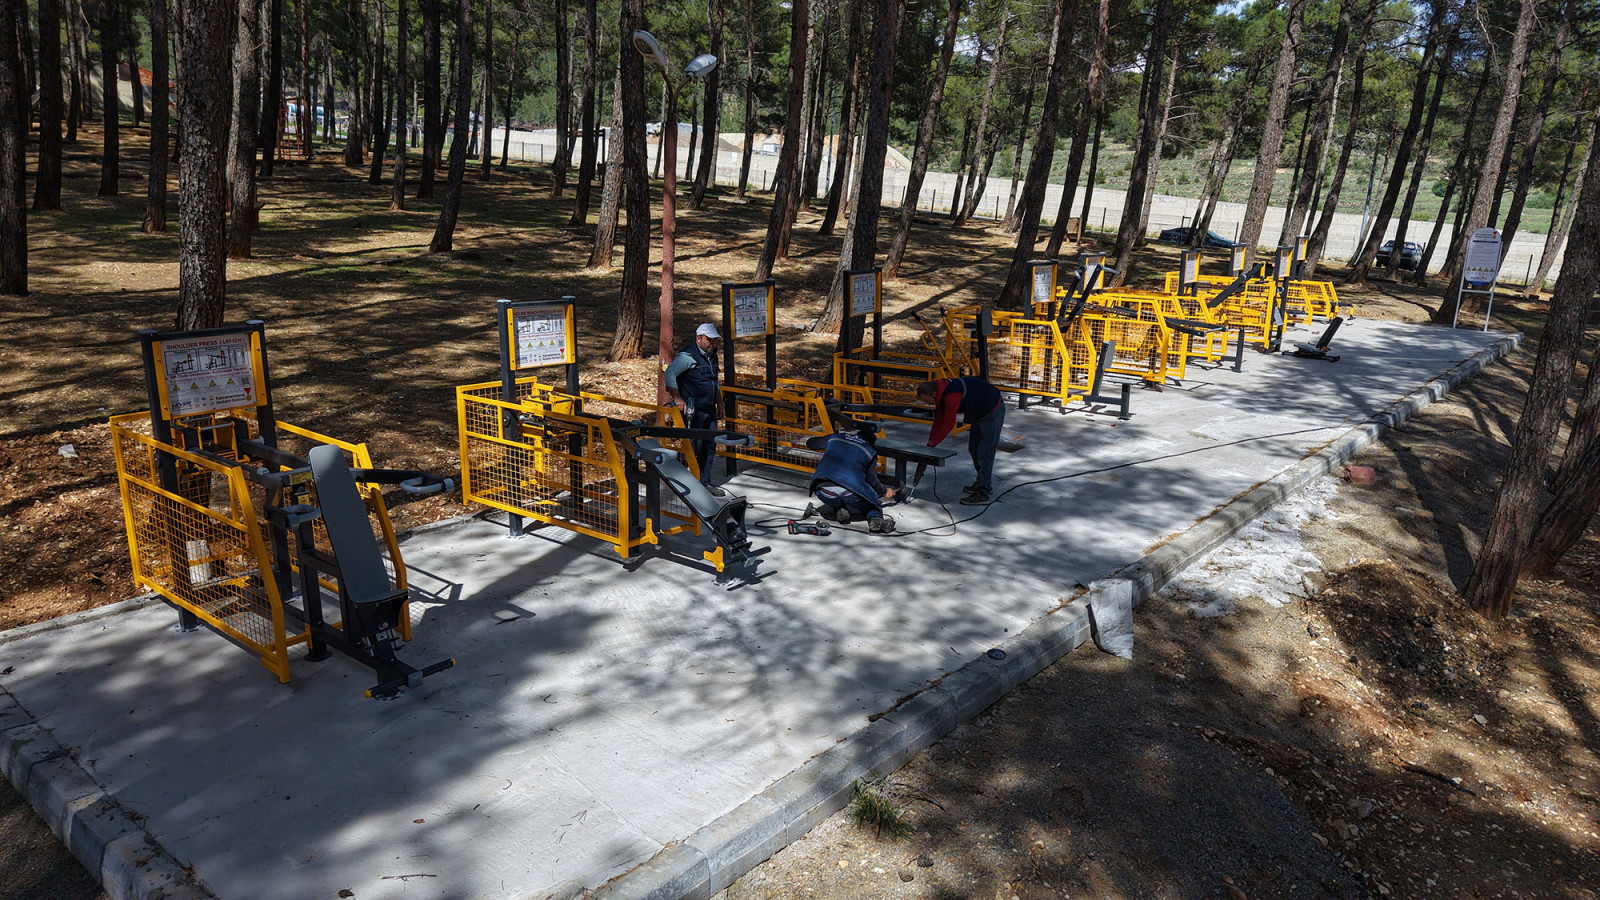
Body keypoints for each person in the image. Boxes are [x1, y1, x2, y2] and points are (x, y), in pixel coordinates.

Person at [916, 376, 1005, 505]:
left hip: (992, 410)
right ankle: (983, 482)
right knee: (973, 449)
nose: (928, 404)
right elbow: (939, 419)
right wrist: (931, 440)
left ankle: (983, 493)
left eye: (927, 401)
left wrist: (933, 443)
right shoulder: (940, 394)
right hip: (978, 412)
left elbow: (948, 423)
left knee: (985, 452)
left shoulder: (951, 394)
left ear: (934, 394)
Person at [664, 322, 723, 483]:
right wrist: (677, 398)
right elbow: (670, 374)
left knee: (709, 446)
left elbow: (714, 381)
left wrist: (720, 402)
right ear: (698, 338)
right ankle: (679, 480)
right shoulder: (687, 357)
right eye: (709, 339)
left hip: (709, 408)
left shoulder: (712, 355)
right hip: (693, 410)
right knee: (692, 447)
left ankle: (705, 482)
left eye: (715, 340)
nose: (713, 343)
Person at [807, 427, 897, 533]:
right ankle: (874, 517)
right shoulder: (869, 451)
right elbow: (872, 481)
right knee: (872, 500)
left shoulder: (836, 438)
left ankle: (839, 508)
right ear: (869, 442)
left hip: (823, 490)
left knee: (836, 493)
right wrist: (884, 491)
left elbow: (811, 443)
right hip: (849, 493)